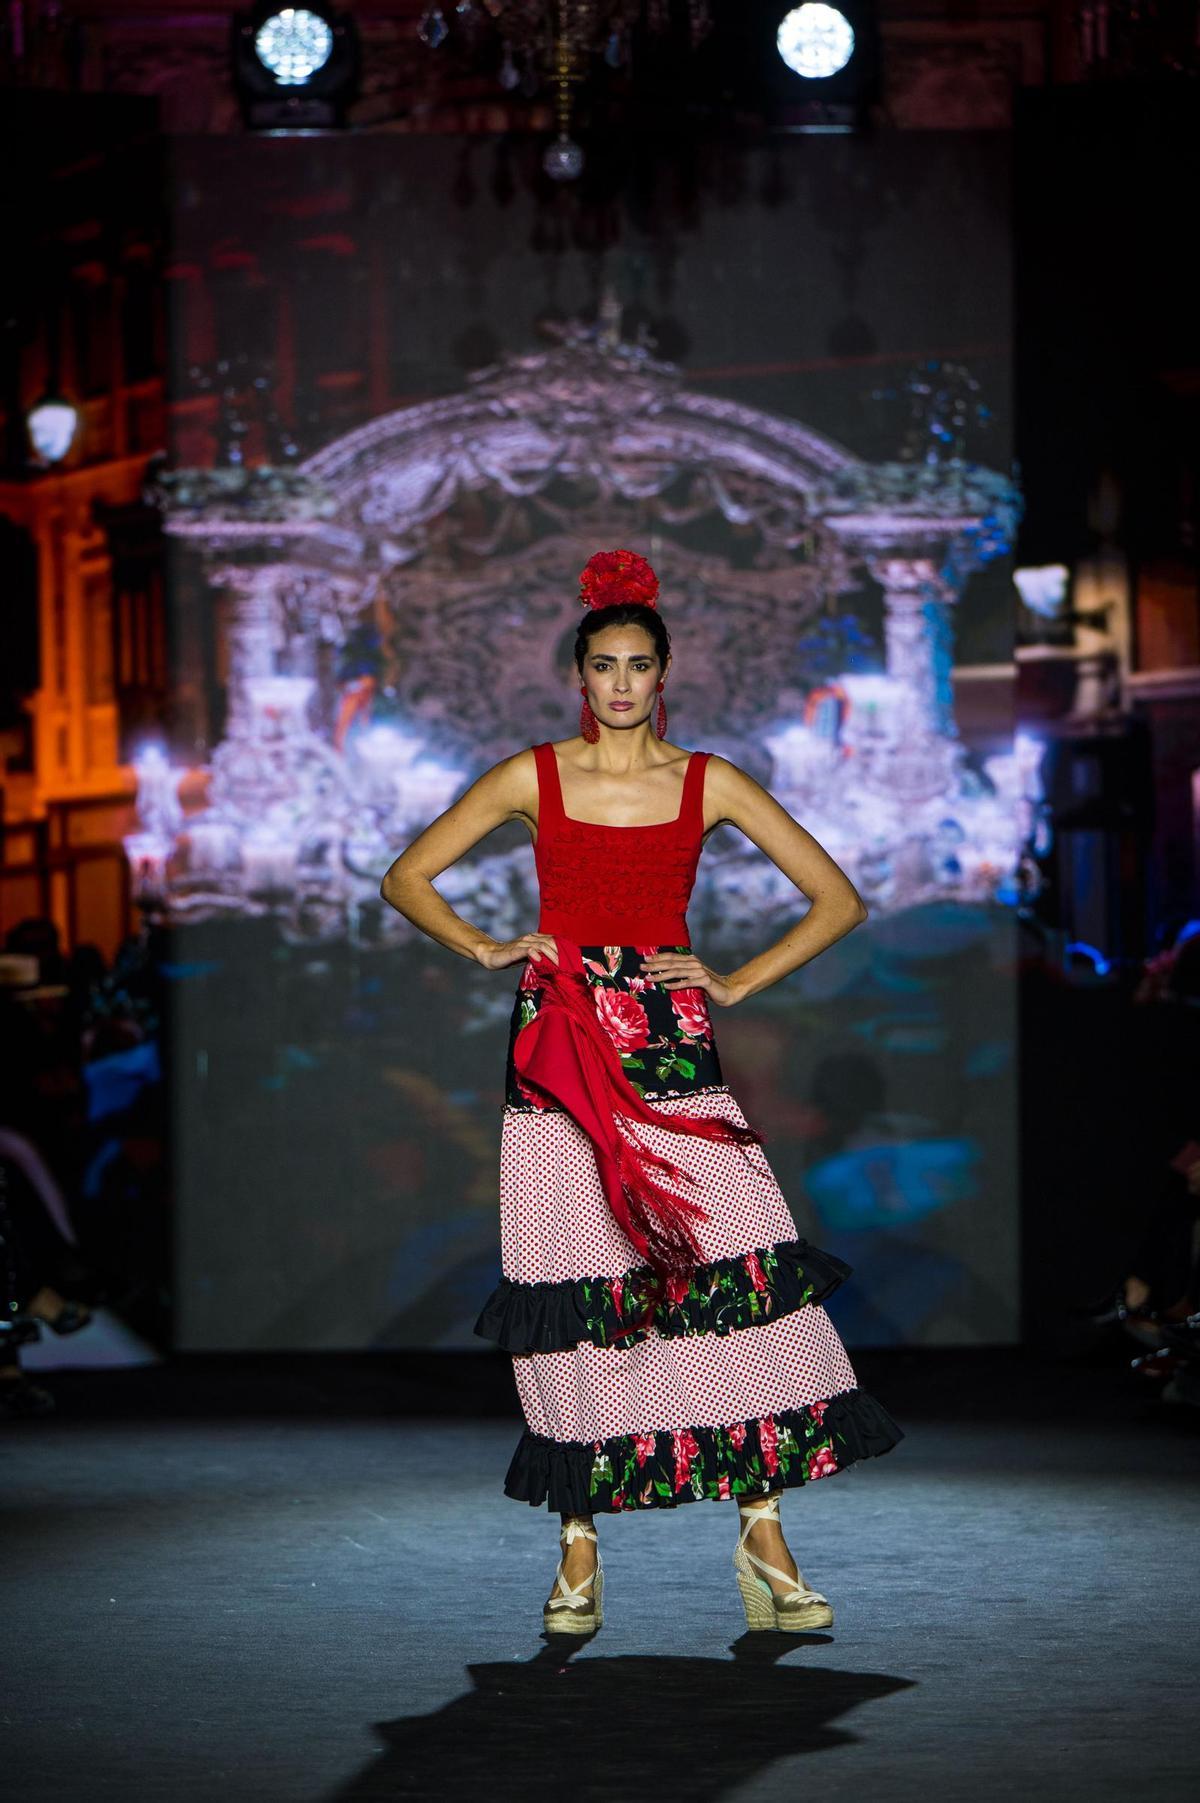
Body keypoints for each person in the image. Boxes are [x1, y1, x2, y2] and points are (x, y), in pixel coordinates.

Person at [380, 548, 903, 1635]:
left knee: (727, 1273)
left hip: (669, 1038)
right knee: (574, 1283)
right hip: (563, 1044)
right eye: (604, 665)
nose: (621, 683)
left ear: (664, 676)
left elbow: (836, 899)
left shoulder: (707, 782)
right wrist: (485, 947)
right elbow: (406, 876)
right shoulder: (534, 775)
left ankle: (762, 1530)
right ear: (580, 671)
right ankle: (578, 1548)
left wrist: (739, 975)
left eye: (639, 666)